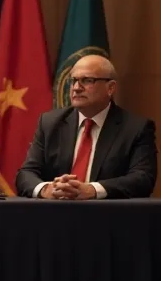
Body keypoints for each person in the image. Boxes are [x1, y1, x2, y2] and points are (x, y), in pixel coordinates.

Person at [17, 54, 157, 199]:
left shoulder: (136, 128)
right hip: (56, 213)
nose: (77, 88)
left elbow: (143, 179)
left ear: (110, 88)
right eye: (74, 81)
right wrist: (47, 189)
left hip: (108, 217)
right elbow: (26, 174)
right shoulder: (50, 123)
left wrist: (92, 190)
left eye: (87, 80)